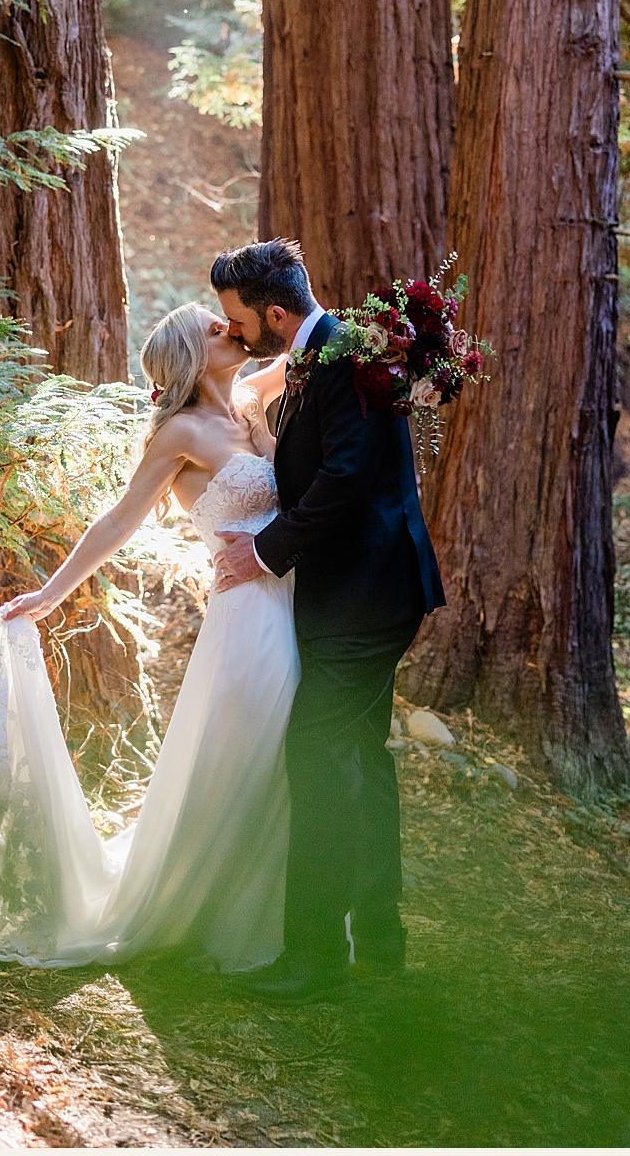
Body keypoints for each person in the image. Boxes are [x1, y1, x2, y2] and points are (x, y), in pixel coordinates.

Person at [0, 303, 298, 968]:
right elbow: (119, 521)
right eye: (217, 328)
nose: (234, 330)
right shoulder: (181, 431)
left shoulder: (246, 402)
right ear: (193, 352)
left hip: (294, 595)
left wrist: (395, 341)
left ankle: (284, 915)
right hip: (249, 613)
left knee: (284, 748)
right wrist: (50, 593)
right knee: (257, 744)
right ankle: (220, 913)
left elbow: (309, 351)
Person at [208, 238, 449, 1000]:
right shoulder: (323, 347)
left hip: (366, 594)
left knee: (315, 754)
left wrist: (264, 553)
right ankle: (379, 939)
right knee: (362, 758)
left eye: (238, 319)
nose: (238, 334)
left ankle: (313, 958)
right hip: (369, 587)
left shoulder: (341, 352)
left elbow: (345, 476)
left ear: (275, 313)